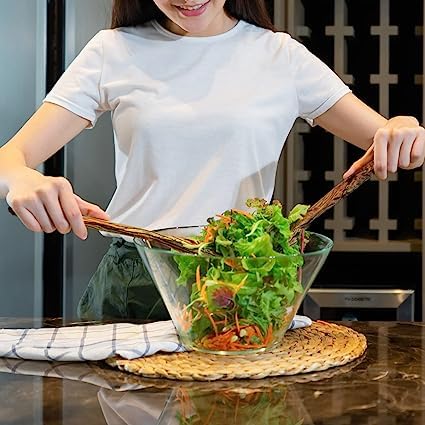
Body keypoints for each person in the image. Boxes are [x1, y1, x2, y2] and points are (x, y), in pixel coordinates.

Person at [0, 0, 424, 321]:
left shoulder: (280, 56)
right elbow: (9, 157)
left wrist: (404, 127)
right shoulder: (113, 50)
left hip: (244, 281)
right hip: (138, 282)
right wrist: (19, 178)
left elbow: (393, 141)